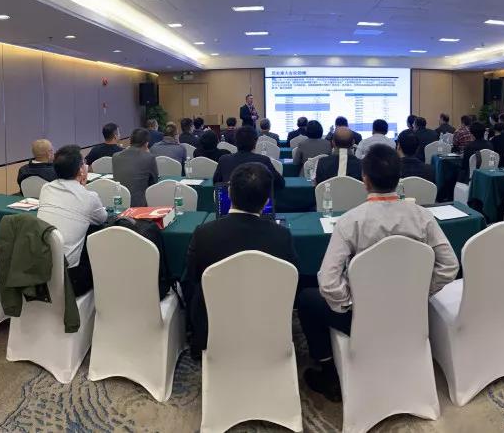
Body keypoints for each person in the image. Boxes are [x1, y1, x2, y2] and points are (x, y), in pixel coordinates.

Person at [297, 144, 459, 400]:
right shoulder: (422, 216)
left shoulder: (350, 221)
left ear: (365, 180)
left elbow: (328, 282)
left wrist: (350, 303)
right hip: (409, 311)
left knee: (307, 298)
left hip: (364, 316)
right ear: (399, 178)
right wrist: (421, 291)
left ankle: (328, 372)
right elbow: (449, 265)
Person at [182, 163, 298, 355]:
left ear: (229, 192)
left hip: (214, 326)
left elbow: (191, 279)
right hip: (267, 323)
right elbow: (292, 279)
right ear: (266, 201)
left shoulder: (204, 234)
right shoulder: (282, 236)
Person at [37, 144, 107, 295]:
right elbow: (102, 218)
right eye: (84, 163)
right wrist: (83, 187)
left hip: (40, 270)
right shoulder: (89, 197)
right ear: (81, 170)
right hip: (69, 279)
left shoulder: (46, 188)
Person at [214, 126, 285, 191]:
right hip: (257, 200)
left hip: (231, 199)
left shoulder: (224, 160)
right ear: (255, 142)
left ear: (236, 141)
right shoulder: (263, 160)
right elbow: (280, 183)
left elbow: (216, 182)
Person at [112, 128, 158, 207]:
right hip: (139, 206)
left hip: (119, 204)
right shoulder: (149, 157)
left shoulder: (115, 156)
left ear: (130, 140)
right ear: (146, 144)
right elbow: (154, 183)